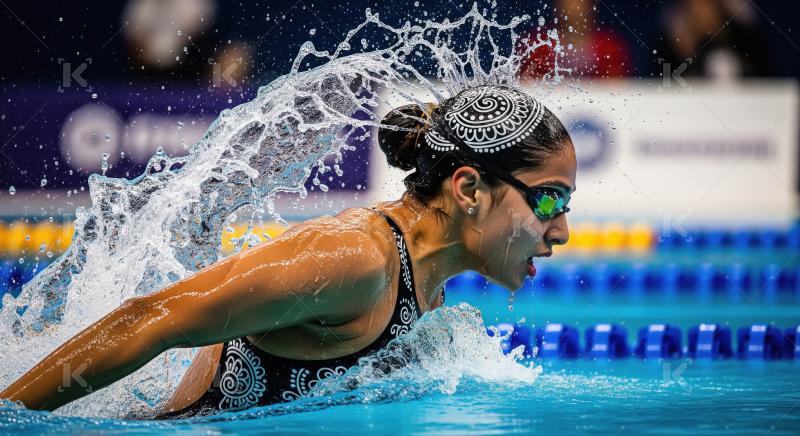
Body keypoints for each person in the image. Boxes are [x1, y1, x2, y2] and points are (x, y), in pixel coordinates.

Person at [0, 85, 576, 418]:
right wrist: (13, 418)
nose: (562, 230)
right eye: (549, 200)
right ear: (469, 189)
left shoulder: (425, 282)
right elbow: (150, 318)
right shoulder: (355, 258)